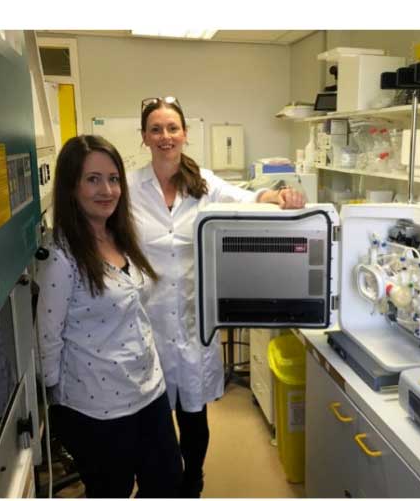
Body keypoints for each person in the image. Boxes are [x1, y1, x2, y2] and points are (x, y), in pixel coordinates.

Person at [127, 96, 305, 497]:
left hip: (194, 317)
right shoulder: (130, 188)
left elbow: (248, 198)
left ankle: (193, 480)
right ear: (144, 137)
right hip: (146, 319)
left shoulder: (203, 183)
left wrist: (280, 197)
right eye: (156, 129)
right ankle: (164, 482)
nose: (165, 136)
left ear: (185, 134)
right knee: (153, 416)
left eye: (172, 128)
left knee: (193, 412)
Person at [36, 135, 182, 497]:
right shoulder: (61, 256)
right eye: (93, 179)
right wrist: (58, 407)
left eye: (113, 179)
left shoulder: (121, 236)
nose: (107, 190)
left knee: (167, 484)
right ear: (71, 187)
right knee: (110, 489)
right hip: (97, 406)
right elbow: (48, 338)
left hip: (149, 390)